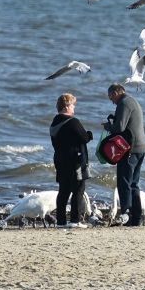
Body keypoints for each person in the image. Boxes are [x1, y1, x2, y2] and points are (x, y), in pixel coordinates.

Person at [104, 83, 145, 226]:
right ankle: (137, 218)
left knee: (124, 183)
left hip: (130, 148)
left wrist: (108, 126)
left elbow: (119, 128)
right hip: (141, 147)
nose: (111, 100)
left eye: (111, 97)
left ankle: (127, 215)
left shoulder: (123, 103)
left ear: (117, 92)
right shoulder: (132, 101)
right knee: (133, 183)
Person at [49, 93, 92, 228]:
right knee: (78, 189)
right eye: (73, 105)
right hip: (75, 161)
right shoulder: (73, 122)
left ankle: (61, 221)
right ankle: (75, 220)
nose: (74, 108)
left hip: (60, 160)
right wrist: (90, 135)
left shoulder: (54, 122)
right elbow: (84, 138)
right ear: (67, 106)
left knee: (64, 190)